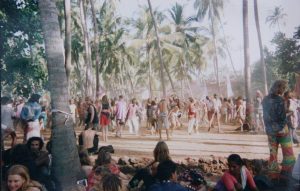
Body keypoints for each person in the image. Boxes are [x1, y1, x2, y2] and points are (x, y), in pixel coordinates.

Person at [262, 80, 296, 181]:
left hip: (270, 131)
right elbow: (281, 117)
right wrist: (289, 113)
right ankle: (287, 174)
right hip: (282, 131)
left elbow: (266, 116)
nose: (283, 90)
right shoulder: (280, 100)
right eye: (283, 88)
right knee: (288, 153)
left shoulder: (265, 99)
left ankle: (273, 176)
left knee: (273, 154)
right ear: (280, 88)